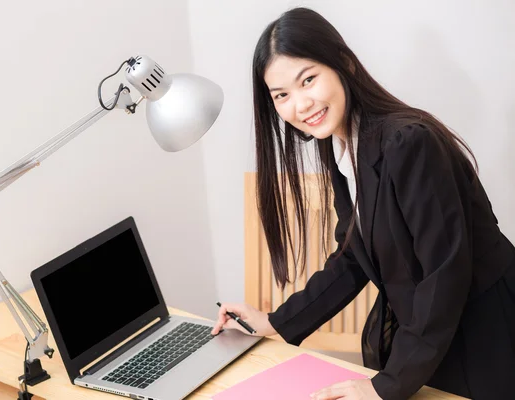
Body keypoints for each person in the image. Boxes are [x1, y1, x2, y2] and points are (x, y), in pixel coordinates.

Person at [211, 7, 515, 400]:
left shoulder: (408, 142)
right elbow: (352, 257)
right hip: (432, 337)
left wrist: (384, 387)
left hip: (484, 335)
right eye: (282, 95)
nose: (300, 105)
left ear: (345, 65)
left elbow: (445, 273)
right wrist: (273, 321)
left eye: (308, 80)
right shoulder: (342, 144)